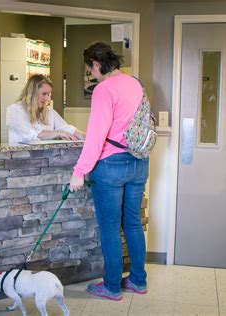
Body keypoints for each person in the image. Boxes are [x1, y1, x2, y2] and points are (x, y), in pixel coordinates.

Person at [69, 42, 149, 301]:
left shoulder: (103, 89)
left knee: (111, 227)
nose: (91, 74)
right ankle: (138, 280)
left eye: (90, 69)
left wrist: (79, 171)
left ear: (95, 64)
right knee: (133, 224)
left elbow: (96, 135)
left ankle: (112, 286)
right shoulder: (135, 82)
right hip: (139, 162)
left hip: (111, 166)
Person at [6, 74, 85, 144]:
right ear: (32, 92)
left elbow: (66, 128)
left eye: (48, 94)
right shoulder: (14, 110)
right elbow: (33, 135)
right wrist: (58, 133)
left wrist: (84, 136)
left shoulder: (49, 111)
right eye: (44, 94)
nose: (47, 99)